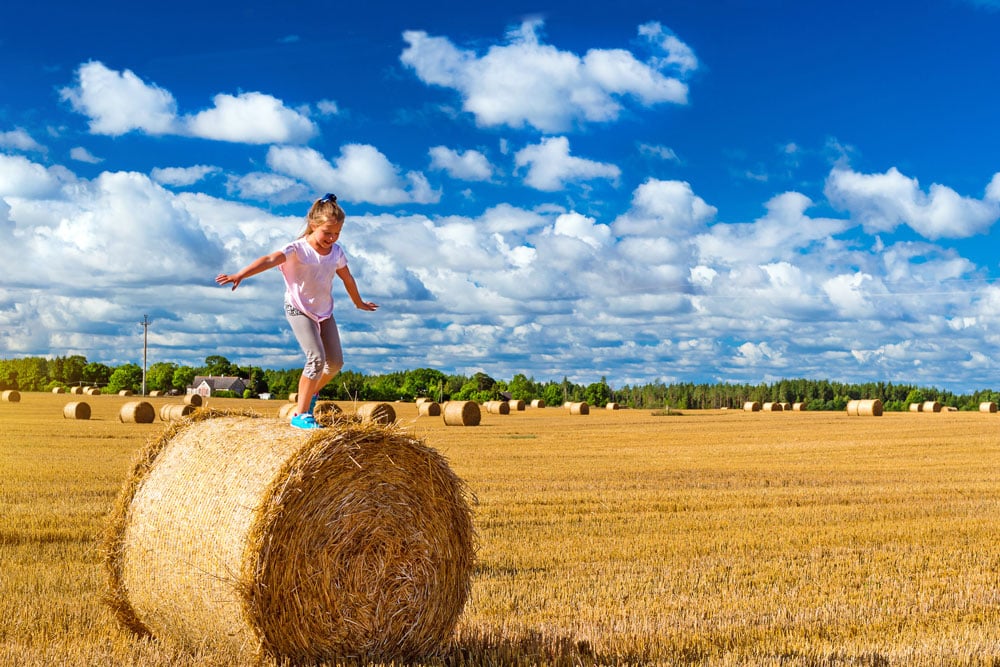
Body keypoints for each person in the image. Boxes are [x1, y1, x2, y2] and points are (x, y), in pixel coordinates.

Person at [215, 193, 378, 429]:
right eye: (327, 233)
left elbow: (348, 278)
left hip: (324, 312)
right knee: (316, 359)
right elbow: (269, 259)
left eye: (336, 234)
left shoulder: (336, 252)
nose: (331, 238)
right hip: (298, 309)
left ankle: (309, 393)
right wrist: (240, 274)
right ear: (313, 225)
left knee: (336, 363)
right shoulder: (297, 249)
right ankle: (300, 416)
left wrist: (358, 302)